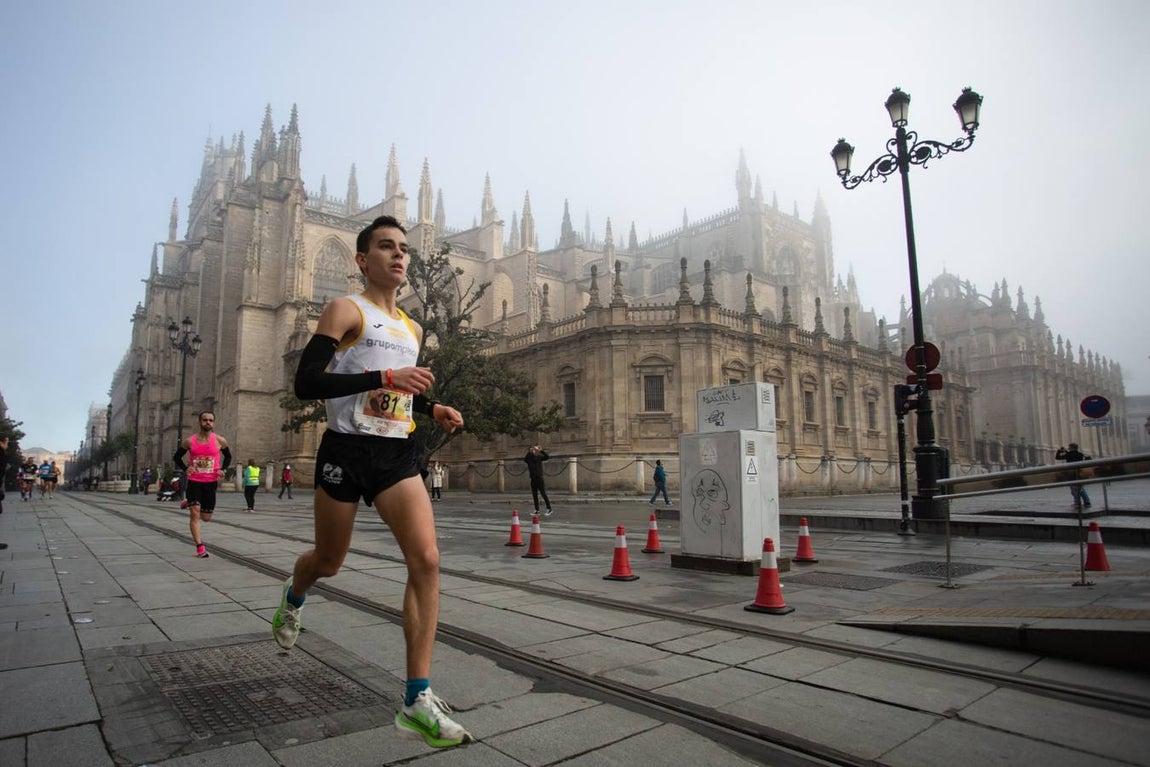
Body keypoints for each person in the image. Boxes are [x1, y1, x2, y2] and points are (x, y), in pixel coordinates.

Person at [273, 215, 472, 749]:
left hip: (395, 453)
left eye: (404, 248)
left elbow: (398, 392)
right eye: (386, 247)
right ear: (362, 260)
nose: (399, 256)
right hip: (345, 450)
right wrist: (385, 378)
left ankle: (416, 698)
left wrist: (432, 407)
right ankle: (295, 594)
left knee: (426, 559)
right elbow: (306, 381)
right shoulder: (346, 309)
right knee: (328, 562)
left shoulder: (410, 328)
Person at [173, 411, 232, 557]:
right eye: (205, 420)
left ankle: (189, 502)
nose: (208, 422)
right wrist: (186, 468)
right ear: (200, 422)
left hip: (210, 483)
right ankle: (200, 547)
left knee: (206, 518)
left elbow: (228, 456)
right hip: (194, 482)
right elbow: (177, 457)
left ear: (214, 423)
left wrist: (223, 469)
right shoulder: (189, 441)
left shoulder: (220, 441)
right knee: (195, 514)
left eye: (211, 420)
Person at [1055, 443, 1092, 507]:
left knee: (1074, 489)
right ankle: (1087, 501)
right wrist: (1066, 451)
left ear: (1071, 448)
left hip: (1072, 474)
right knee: (1080, 488)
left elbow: (1057, 457)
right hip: (1080, 473)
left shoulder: (1069, 454)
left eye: (1069, 447)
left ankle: (1077, 503)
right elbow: (1073, 456)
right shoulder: (1080, 454)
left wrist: (1059, 451)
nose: (1068, 448)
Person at [523, 445, 552, 516]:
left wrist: (540, 450)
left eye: (533, 450)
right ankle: (537, 510)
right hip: (533, 479)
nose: (533, 450)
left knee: (543, 494)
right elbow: (525, 459)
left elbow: (547, 457)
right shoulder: (529, 459)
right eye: (531, 450)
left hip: (539, 478)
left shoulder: (538, 457)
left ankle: (549, 509)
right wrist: (529, 452)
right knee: (534, 495)